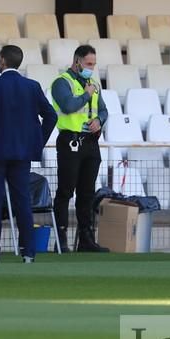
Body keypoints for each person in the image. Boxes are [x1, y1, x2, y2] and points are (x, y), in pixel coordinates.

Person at [0, 45, 57, 263]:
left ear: (2, 60)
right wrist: (37, 142)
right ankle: (28, 252)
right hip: (23, 153)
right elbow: (51, 116)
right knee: (22, 201)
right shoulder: (32, 86)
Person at [51, 45, 109, 252]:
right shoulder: (61, 83)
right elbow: (68, 106)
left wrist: (99, 121)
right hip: (70, 141)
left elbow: (103, 109)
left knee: (87, 192)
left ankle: (86, 239)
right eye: (88, 64)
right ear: (77, 61)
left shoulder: (94, 83)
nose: (91, 68)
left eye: (93, 64)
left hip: (90, 142)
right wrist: (86, 95)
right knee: (66, 190)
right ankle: (61, 238)